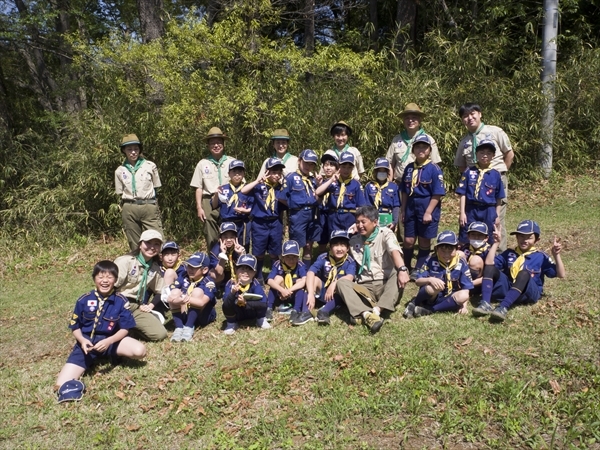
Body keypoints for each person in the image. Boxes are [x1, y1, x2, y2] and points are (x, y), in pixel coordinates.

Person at [55, 260, 147, 402]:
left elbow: (125, 329)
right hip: (87, 344)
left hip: (111, 341)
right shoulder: (83, 300)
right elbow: (75, 326)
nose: (105, 281)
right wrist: (83, 341)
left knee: (139, 351)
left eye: (109, 277)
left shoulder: (121, 301)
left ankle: (111, 355)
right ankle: (90, 361)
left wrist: (109, 341)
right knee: (61, 384)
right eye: (100, 277)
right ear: (94, 279)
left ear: (115, 280)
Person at [336, 206, 410, 333]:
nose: (360, 225)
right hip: (365, 288)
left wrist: (403, 269)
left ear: (375, 222)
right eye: (357, 222)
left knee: (399, 270)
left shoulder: (385, 233)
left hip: (384, 284)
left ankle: (377, 310)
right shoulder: (353, 240)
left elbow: (395, 252)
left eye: (363, 222)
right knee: (341, 283)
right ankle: (366, 314)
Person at [472, 220, 565, 322]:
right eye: (521, 236)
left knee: (524, 273)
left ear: (537, 240)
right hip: (508, 288)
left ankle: (503, 307)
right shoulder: (509, 253)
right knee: (490, 267)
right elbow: (489, 264)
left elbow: (561, 274)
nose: (524, 240)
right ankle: (485, 303)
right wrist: (496, 243)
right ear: (516, 237)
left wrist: (556, 255)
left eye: (529, 237)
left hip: (528, 293)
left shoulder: (541, 256)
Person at [454, 103, 514, 250]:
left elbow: (509, 154)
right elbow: (462, 165)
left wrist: (498, 174)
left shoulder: (495, 131)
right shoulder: (464, 141)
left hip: (495, 181)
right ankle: (471, 253)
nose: (469, 118)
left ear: (480, 114)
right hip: (473, 184)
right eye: (465, 116)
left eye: (472, 114)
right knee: (470, 221)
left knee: (497, 220)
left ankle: (498, 255)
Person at [399, 134, 446, 276]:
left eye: (424, 147)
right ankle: (406, 266)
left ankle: (419, 267)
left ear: (429, 150)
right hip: (411, 205)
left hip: (427, 205)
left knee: (424, 239)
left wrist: (428, 212)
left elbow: (437, 193)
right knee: (408, 239)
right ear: (413, 150)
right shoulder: (408, 168)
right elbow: (405, 191)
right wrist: (403, 209)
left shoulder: (434, 169)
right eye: (417, 147)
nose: (421, 149)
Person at [404, 231, 473, 318]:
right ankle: (415, 302)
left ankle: (430, 310)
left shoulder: (461, 263)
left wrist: (464, 306)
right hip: (432, 295)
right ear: (436, 249)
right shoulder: (430, 260)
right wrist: (430, 279)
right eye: (443, 251)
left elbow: (466, 288)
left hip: (449, 298)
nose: (446, 254)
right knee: (433, 287)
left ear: (457, 249)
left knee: (464, 295)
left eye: (450, 251)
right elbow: (418, 281)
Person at [114, 229, 168, 341]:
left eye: (156, 244)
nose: (152, 247)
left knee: (160, 334)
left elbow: (160, 290)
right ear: (140, 244)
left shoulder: (155, 268)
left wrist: (150, 306)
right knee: (109, 331)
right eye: (148, 242)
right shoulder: (125, 261)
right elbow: (110, 286)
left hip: (135, 307)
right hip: (117, 303)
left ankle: (131, 329)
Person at [114, 134, 164, 251]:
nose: (133, 152)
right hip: (129, 206)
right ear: (124, 151)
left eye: (136, 149)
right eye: (129, 149)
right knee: (134, 241)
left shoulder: (150, 166)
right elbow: (120, 192)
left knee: (157, 237)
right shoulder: (120, 171)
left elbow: (156, 187)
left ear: (140, 150)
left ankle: (160, 265)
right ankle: (138, 265)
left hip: (148, 205)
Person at [190, 127, 237, 250]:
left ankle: (233, 259)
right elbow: (199, 187)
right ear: (208, 145)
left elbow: (241, 183)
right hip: (208, 199)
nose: (216, 145)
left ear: (223, 144)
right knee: (210, 229)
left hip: (229, 199)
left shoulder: (232, 162)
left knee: (230, 228)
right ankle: (214, 259)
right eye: (212, 143)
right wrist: (199, 207)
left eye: (218, 142)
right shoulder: (202, 163)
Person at [241, 157, 286, 281]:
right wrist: (257, 181)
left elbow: (288, 204)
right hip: (259, 223)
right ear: (267, 172)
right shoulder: (258, 187)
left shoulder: (281, 187)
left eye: (279, 173)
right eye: (273, 172)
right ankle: (259, 277)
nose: (276, 175)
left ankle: (274, 276)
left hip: (275, 222)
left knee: (274, 252)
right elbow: (243, 191)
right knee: (258, 252)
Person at [455, 139, 506, 244]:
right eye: (482, 152)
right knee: (466, 234)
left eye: (488, 153)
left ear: (493, 155)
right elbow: (462, 193)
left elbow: (499, 198)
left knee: (489, 237)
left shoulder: (496, 174)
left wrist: (496, 216)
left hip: (488, 210)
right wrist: (462, 213)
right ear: (476, 154)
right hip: (471, 209)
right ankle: (465, 257)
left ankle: (487, 258)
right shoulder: (469, 171)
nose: (485, 155)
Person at [278, 149, 320, 266]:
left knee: (308, 244)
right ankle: (292, 270)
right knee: (296, 245)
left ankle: (306, 270)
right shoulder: (291, 177)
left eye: (312, 164)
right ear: (299, 161)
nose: (308, 166)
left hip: (312, 214)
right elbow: (281, 197)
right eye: (306, 163)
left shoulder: (313, 180)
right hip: (298, 215)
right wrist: (293, 206)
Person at [306, 230, 356, 325]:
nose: (339, 249)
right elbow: (310, 272)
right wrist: (311, 293)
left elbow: (350, 277)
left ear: (348, 248)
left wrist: (335, 283)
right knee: (313, 279)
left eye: (342, 245)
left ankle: (324, 312)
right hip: (323, 290)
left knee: (342, 288)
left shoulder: (350, 261)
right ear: (330, 246)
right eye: (335, 245)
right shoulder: (323, 257)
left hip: (337, 294)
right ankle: (306, 310)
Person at [386, 103, 442, 185]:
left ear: (420, 120)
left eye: (414, 118)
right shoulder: (396, 139)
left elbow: (435, 164)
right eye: (407, 118)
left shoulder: (429, 139)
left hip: (422, 185)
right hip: (400, 184)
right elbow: (390, 163)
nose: (410, 120)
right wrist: (389, 184)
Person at [167, 252, 217, 342]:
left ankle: (189, 327)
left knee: (197, 291)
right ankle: (179, 327)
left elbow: (202, 303)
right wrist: (173, 297)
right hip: (185, 312)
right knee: (174, 292)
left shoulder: (208, 282)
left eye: (194, 267)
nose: (190, 269)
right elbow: (172, 289)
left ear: (205, 270)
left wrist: (183, 298)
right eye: (189, 266)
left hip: (203, 315)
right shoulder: (184, 276)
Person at [316, 152, 367, 235]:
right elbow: (318, 192)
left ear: (353, 168)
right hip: (334, 218)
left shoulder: (356, 184)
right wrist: (331, 180)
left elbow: (361, 206)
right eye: (343, 167)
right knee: (335, 243)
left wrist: (357, 222)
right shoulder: (333, 182)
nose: (346, 170)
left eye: (349, 167)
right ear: (339, 166)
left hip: (350, 217)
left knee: (350, 244)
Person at [222, 254, 272, 335]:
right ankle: (231, 324)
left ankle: (261, 319)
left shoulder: (255, 284)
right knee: (227, 305)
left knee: (263, 303)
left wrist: (246, 303)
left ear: (254, 272)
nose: (245, 273)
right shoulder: (230, 284)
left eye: (249, 270)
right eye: (242, 269)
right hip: (237, 313)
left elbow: (264, 303)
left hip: (252, 312)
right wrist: (232, 293)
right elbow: (225, 304)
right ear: (236, 269)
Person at [211, 160, 253, 251]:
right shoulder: (222, 188)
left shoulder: (248, 189)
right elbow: (214, 206)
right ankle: (227, 264)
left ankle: (242, 263)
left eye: (240, 172)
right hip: (226, 223)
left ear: (244, 174)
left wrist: (245, 211)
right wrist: (216, 195)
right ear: (229, 174)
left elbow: (253, 208)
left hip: (242, 223)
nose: (237, 174)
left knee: (242, 245)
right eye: (234, 172)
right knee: (226, 246)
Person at [266, 240, 309, 325]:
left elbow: (305, 280)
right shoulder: (277, 264)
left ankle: (296, 310)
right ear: (282, 257)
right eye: (288, 257)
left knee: (300, 281)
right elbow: (269, 280)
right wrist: (282, 290)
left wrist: (289, 290)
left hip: (294, 294)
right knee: (278, 278)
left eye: (294, 257)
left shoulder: (300, 265)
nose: (291, 260)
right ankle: (269, 308)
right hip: (281, 294)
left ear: (298, 257)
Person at [145, 240, 187, 320]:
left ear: (179, 256)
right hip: (159, 295)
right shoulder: (157, 266)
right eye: (166, 254)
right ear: (161, 256)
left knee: (169, 273)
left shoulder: (183, 268)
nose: (170, 258)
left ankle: (160, 308)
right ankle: (143, 304)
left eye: (173, 254)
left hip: (177, 296)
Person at [364, 158, 401, 231]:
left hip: (388, 218)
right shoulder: (369, 186)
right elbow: (366, 206)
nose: (382, 173)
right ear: (375, 172)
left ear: (388, 172)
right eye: (379, 171)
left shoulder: (393, 186)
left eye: (384, 171)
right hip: (373, 218)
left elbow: (396, 206)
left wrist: (394, 222)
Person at [209, 222, 246, 288]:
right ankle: (217, 288)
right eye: (225, 237)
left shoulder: (238, 248)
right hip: (221, 275)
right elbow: (219, 272)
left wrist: (241, 254)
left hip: (233, 274)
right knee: (214, 274)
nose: (229, 240)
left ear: (236, 238)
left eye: (232, 237)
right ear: (220, 238)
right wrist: (223, 254)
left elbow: (245, 268)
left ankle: (240, 285)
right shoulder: (215, 251)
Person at [458, 222, 492, 295]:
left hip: (478, 283)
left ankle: (468, 288)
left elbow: (490, 276)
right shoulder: (465, 247)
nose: (476, 238)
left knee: (475, 260)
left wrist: (468, 284)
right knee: (458, 254)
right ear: (468, 236)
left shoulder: (489, 252)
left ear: (486, 238)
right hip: (462, 278)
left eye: (480, 235)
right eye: (473, 235)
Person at [316, 153, 339, 254]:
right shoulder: (319, 180)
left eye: (331, 165)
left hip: (333, 214)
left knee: (334, 240)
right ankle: (322, 260)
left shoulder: (340, 182)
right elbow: (316, 198)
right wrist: (319, 184)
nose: (328, 168)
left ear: (337, 167)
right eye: (326, 165)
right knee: (322, 240)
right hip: (321, 214)